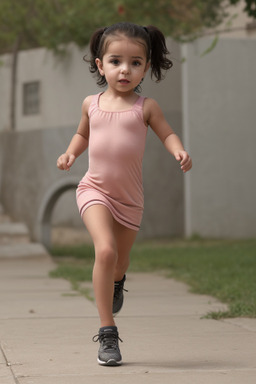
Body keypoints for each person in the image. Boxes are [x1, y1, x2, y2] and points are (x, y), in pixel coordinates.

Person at [57, 22, 192, 367]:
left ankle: (118, 281)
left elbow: (167, 134)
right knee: (105, 251)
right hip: (94, 190)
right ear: (101, 65)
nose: (125, 69)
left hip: (130, 198)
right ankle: (107, 332)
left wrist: (178, 150)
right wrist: (71, 153)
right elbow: (82, 135)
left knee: (119, 261)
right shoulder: (91, 103)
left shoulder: (146, 107)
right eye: (116, 61)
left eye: (135, 62)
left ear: (146, 67)